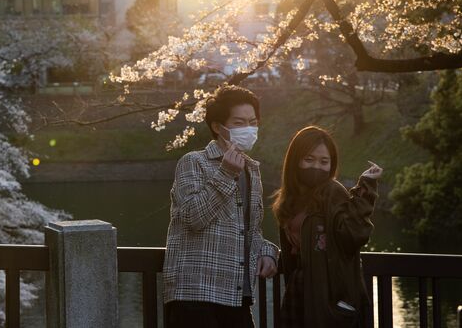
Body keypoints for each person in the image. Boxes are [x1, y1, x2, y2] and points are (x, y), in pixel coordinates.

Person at [163, 85, 279, 328]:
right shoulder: (193, 162)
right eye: (239, 122)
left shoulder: (251, 170)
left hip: (236, 295)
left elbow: (249, 229)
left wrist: (267, 251)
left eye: (253, 121)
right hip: (195, 296)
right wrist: (226, 174)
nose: (248, 128)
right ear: (218, 126)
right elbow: (192, 217)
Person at [271, 126, 383, 328]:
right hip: (298, 290)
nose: (317, 167)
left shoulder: (333, 192)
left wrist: (365, 189)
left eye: (324, 162)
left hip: (328, 295)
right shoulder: (290, 199)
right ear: (295, 160)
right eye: (309, 159)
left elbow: (353, 235)